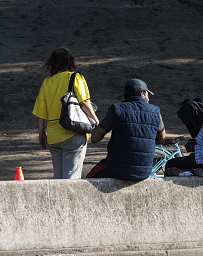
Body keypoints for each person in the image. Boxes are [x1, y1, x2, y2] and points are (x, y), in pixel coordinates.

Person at [32, 48, 99, 179]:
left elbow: (41, 112)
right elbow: (84, 102)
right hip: (72, 133)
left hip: (53, 136)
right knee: (71, 178)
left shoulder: (46, 82)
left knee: (58, 178)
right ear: (70, 61)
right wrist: (97, 121)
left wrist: (41, 133)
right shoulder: (75, 77)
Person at [85, 79, 166, 180]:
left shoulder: (116, 109)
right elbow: (162, 139)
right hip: (144, 172)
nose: (148, 98)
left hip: (117, 169)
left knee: (88, 178)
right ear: (142, 94)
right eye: (147, 94)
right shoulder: (156, 112)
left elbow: (95, 138)